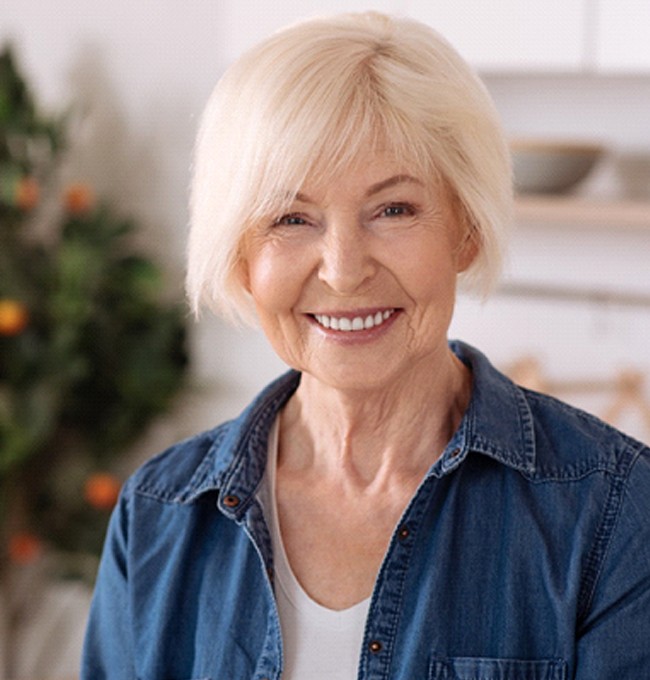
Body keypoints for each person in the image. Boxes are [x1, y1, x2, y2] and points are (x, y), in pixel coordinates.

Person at [81, 11, 650, 680]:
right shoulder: (158, 514)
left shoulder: (614, 508)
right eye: (291, 218)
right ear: (239, 257)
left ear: (464, 229)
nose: (343, 269)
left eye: (393, 210)